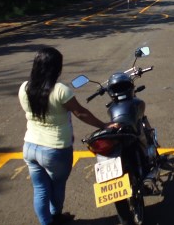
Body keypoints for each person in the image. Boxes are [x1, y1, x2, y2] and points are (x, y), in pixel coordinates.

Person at [19, 47, 108, 225]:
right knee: (57, 185)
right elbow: (81, 113)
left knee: (40, 189)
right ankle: (56, 215)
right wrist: (104, 125)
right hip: (55, 148)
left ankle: (47, 223)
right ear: (55, 68)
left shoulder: (24, 87)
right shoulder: (60, 90)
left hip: (30, 146)